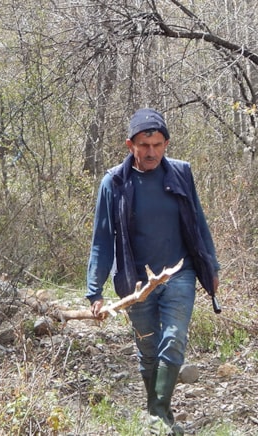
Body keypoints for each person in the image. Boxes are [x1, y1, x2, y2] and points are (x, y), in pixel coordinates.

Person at [86, 108, 219, 435]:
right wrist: (95, 291)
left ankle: (158, 413)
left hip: (179, 273)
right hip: (135, 282)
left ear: (166, 144)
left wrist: (211, 264)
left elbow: (198, 221)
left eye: (158, 145)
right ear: (130, 145)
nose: (151, 152)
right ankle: (158, 414)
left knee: (173, 340)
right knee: (148, 349)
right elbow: (102, 238)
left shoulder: (181, 174)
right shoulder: (114, 182)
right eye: (144, 145)